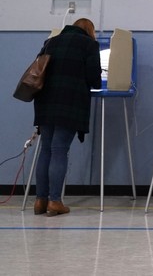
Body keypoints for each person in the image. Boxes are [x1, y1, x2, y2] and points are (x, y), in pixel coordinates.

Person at [32, 18, 102, 216]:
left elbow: (39, 69)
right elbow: (94, 77)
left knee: (46, 150)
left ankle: (40, 200)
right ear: (89, 30)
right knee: (60, 150)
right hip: (69, 102)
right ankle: (55, 202)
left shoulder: (51, 41)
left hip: (45, 101)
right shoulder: (89, 44)